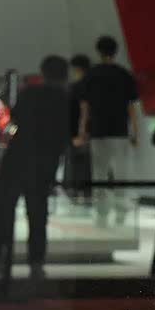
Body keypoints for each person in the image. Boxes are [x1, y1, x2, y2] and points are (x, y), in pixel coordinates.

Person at [0, 54, 73, 282]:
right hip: (44, 164)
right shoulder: (66, 100)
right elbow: (67, 134)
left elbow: (16, 117)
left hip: (17, 159)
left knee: (3, 211)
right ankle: (36, 263)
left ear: (43, 73)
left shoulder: (29, 93)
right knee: (38, 215)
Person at [77, 35, 140, 227]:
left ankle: (102, 214)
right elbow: (131, 107)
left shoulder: (91, 74)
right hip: (120, 131)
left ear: (99, 51)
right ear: (116, 51)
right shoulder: (124, 74)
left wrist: (82, 131)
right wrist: (135, 132)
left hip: (98, 131)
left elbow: (84, 107)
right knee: (121, 174)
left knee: (100, 173)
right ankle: (121, 213)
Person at [64, 53, 92, 205]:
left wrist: (81, 132)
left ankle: (76, 192)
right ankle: (85, 192)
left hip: (77, 132)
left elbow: (83, 109)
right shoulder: (92, 85)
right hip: (89, 131)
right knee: (86, 163)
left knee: (76, 163)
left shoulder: (78, 87)